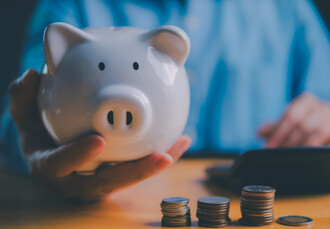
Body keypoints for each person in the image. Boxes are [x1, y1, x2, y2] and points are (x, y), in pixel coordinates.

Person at [1, 0, 329, 201]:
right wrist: (30, 140)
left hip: (253, 198)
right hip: (110, 208)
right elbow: (19, 116)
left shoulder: (289, 7)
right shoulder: (68, 5)